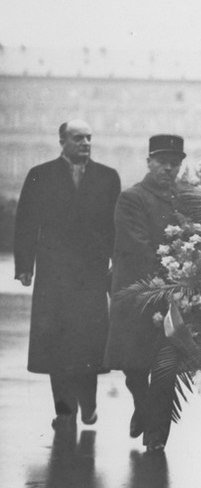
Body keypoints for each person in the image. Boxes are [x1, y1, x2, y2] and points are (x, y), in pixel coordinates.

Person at [14, 119, 120, 429]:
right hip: (54, 273)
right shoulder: (41, 175)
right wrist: (24, 266)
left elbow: (115, 225)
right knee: (55, 344)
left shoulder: (107, 177)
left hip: (92, 272)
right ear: (62, 141)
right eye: (78, 138)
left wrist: (117, 264)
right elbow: (26, 221)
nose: (85, 142)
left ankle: (88, 405)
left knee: (88, 343)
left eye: (89, 137)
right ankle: (63, 411)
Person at [105, 135, 189, 452]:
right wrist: (177, 273)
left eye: (175, 163)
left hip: (173, 298)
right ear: (149, 162)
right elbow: (136, 246)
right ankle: (141, 405)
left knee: (165, 369)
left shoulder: (186, 198)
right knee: (135, 369)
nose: (169, 168)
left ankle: (156, 437)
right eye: (162, 162)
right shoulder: (132, 198)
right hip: (136, 296)